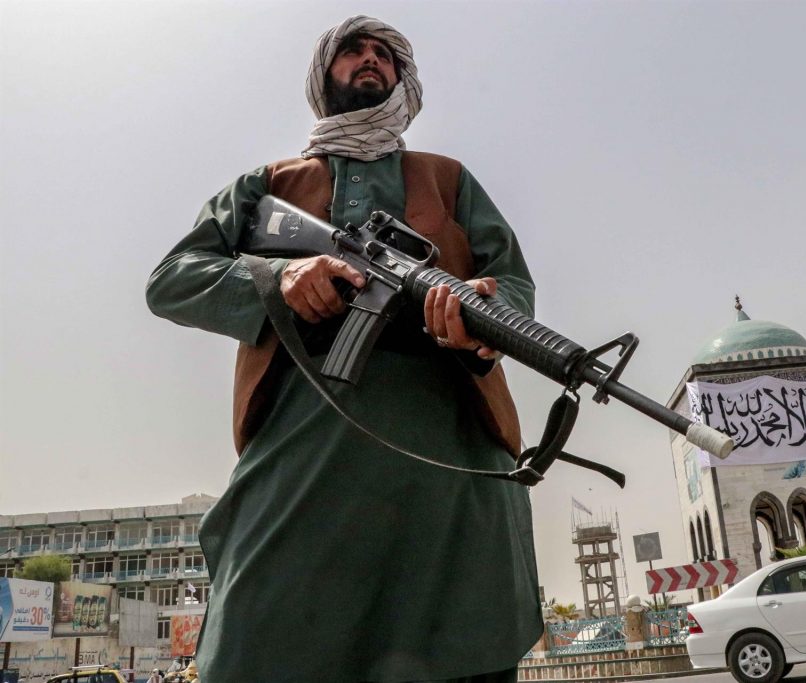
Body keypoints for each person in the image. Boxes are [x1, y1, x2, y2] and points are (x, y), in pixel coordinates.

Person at [146, 15, 541, 683]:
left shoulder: (447, 180)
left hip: (448, 453)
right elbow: (172, 280)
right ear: (323, 74)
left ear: (402, 78)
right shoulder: (269, 184)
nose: (370, 60)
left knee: (466, 641)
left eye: (384, 54)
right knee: (254, 641)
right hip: (304, 443)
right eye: (353, 51)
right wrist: (278, 278)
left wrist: (481, 314)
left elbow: (515, 287)